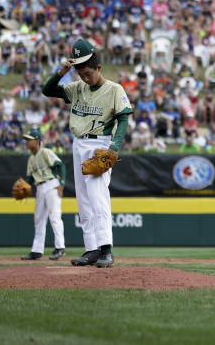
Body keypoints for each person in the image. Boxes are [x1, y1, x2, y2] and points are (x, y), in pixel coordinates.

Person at [42, 39, 133, 268]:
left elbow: (123, 118)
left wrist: (115, 145)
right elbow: (48, 90)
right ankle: (91, 249)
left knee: (97, 196)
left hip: (100, 144)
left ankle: (106, 250)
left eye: (88, 73)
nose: (84, 77)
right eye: (81, 73)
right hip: (79, 143)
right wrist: (62, 71)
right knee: (83, 199)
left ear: (99, 68)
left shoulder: (114, 89)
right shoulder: (77, 87)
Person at [19, 129, 67, 261]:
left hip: (52, 185)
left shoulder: (45, 152)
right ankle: (37, 251)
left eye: (29, 139)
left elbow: (60, 165)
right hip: (39, 188)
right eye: (26, 140)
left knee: (55, 217)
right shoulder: (31, 158)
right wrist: (25, 186)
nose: (27, 142)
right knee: (38, 220)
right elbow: (30, 178)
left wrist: (61, 184)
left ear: (37, 141)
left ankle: (60, 248)